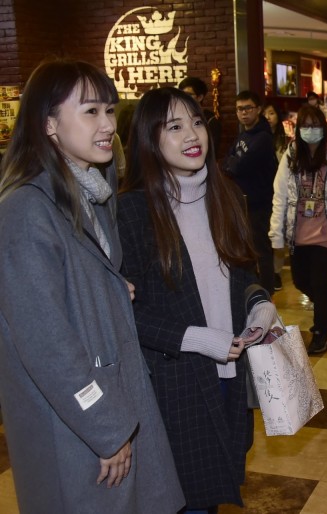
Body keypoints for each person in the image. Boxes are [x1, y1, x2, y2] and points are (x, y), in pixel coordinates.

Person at [0, 59, 184, 513]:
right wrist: (106, 427)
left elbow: (74, 283)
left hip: (112, 399)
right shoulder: (26, 210)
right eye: (90, 112)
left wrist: (109, 290)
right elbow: (46, 343)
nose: (107, 125)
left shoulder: (89, 195)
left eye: (109, 110)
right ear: (48, 123)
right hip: (77, 421)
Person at [117, 87, 278, 513]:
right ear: (150, 139)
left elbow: (241, 271)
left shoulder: (226, 195)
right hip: (174, 380)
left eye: (196, 122)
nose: (193, 135)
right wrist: (196, 338)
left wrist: (259, 302)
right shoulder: (132, 210)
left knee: (214, 486)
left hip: (230, 373)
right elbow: (123, 309)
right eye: (174, 126)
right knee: (187, 498)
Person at [270, 105, 327, 354]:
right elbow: (280, 196)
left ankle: (320, 330)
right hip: (298, 235)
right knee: (301, 281)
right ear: (298, 129)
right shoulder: (291, 156)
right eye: (305, 126)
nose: (310, 130)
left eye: (315, 125)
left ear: (323, 127)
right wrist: (276, 233)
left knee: (322, 283)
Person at [224, 90, 278, 294]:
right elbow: (227, 162)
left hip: (259, 203)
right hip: (242, 203)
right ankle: (251, 290)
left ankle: (267, 293)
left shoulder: (263, 137)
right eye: (239, 109)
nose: (244, 113)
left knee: (261, 250)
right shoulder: (243, 135)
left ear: (258, 109)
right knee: (246, 250)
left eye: (248, 108)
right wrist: (233, 164)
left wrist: (233, 164)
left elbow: (239, 166)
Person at [264, 100, 290, 290]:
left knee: (279, 232)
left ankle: (276, 272)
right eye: (265, 113)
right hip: (264, 192)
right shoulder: (259, 138)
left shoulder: (285, 141)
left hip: (280, 193)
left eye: (271, 113)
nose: (268, 117)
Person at [179, 76, 222, 155]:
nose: (184, 98)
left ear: (200, 97)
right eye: (182, 95)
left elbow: (211, 151)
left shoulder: (211, 121)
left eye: (188, 94)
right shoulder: (179, 119)